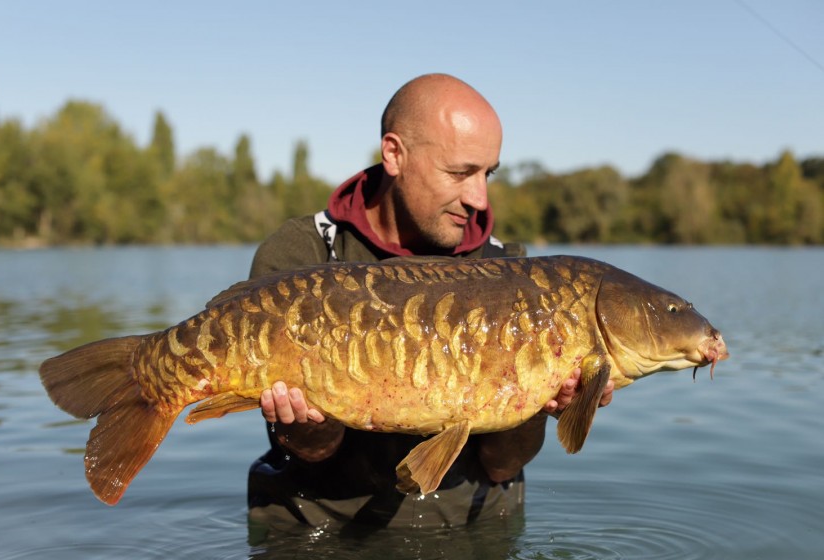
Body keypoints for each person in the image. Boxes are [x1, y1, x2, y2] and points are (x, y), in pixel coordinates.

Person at [246, 73, 613, 531]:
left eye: (488, 173)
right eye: (460, 173)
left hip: (472, 531)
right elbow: (314, 451)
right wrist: (302, 422)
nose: (479, 198)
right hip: (318, 527)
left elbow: (501, 466)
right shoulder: (303, 256)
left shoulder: (513, 274)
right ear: (395, 154)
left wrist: (538, 400)